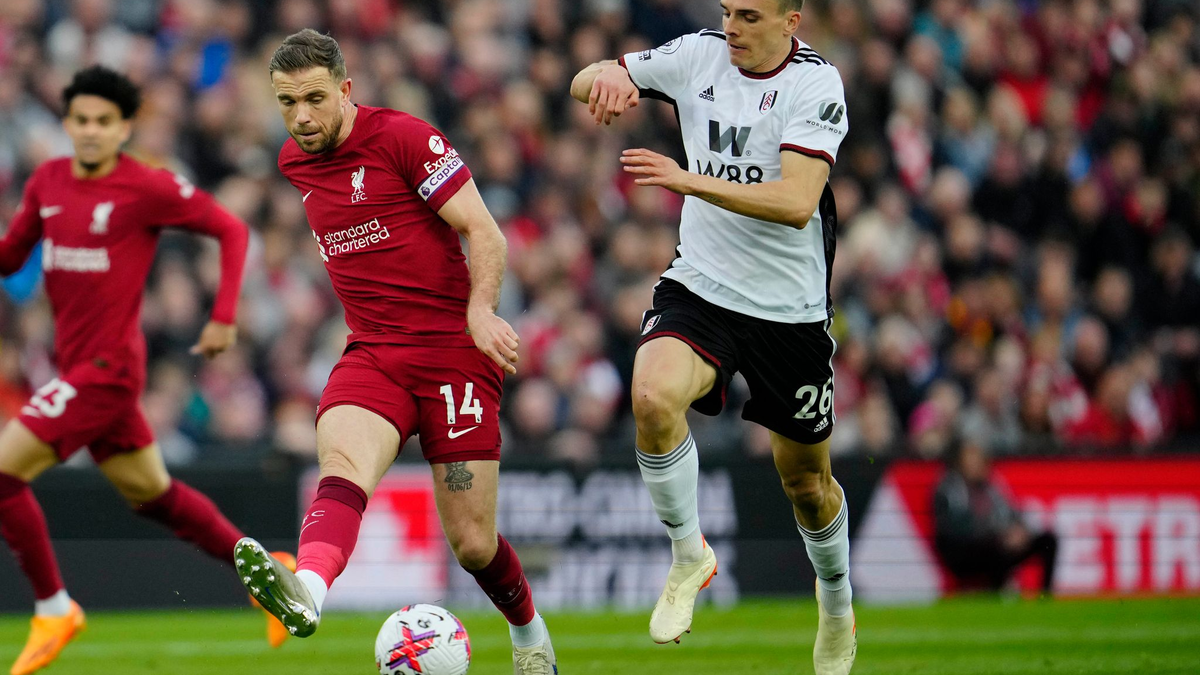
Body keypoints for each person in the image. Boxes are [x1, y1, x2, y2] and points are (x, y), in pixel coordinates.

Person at [234, 30, 557, 675]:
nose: (301, 116)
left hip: (454, 359)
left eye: (316, 99)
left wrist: (481, 310)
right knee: (342, 465)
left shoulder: (404, 139)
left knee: (472, 545)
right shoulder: (293, 161)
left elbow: (483, 231)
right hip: (374, 354)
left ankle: (529, 632)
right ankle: (309, 593)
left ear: (347, 91)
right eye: (287, 102)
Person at [570, 0, 855, 672]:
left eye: (750, 15)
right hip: (702, 286)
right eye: (728, 10)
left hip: (789, 310)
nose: (732, 25)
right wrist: (604, 80)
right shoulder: (697, 55)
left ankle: (837, 600)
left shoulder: (817, 84)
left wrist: (684, 179)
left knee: (807, 484)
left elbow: (795, 203)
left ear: (792, 19)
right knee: (651, 395)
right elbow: (585, 79)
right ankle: (689, 552)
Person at [0, 66, 289, 675]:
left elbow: (231, 229)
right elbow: (9, 257)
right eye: (80, 120)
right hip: (79, 368)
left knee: (3, 475)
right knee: (153, 496)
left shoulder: (146, 187)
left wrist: (223, 315)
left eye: (104, 122)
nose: (90, 131)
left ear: (125, 127)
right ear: (67, 122)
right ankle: (268, 569)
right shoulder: (48, 181)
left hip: (108, 371)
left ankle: (54, 609)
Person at [933, 440, 1058, 594]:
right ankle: (998, 592)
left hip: (999, 544)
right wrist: (1000, 535)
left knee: (1047, 540)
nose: (975, 465)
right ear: (960, 463)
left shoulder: (992, 487)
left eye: (979, 460)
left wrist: (1020, 531)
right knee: (995, 549)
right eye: (970, 460)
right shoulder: (950, 487)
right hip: (964, 550)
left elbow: (1012, 513)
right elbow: (954, 527)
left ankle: (1045, 596)